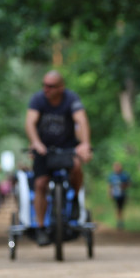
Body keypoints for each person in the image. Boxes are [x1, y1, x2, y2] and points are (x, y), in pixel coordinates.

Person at [24, 70, 92, 243]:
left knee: (76, 167)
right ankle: (40, 227)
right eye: (44, 85)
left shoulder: (71, 98)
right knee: (40, 184)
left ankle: (75, 198)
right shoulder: (38, 99)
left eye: (51, 86)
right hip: (43, 149)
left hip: (68, 146)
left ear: (61, 87)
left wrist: (84, 144)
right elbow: (30, 122)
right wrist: (36, 142)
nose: (46, 89)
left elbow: (81, 120)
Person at [107, 161, 132, 229]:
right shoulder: (112, 176)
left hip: (122, 194)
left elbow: (129, 183)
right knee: (118, 208)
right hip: (116, 195)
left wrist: (123, 186)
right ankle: (119, 222)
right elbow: (110, 185)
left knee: (121, 208)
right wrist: (110, 193)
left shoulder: (124, 175)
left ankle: (121, 221)